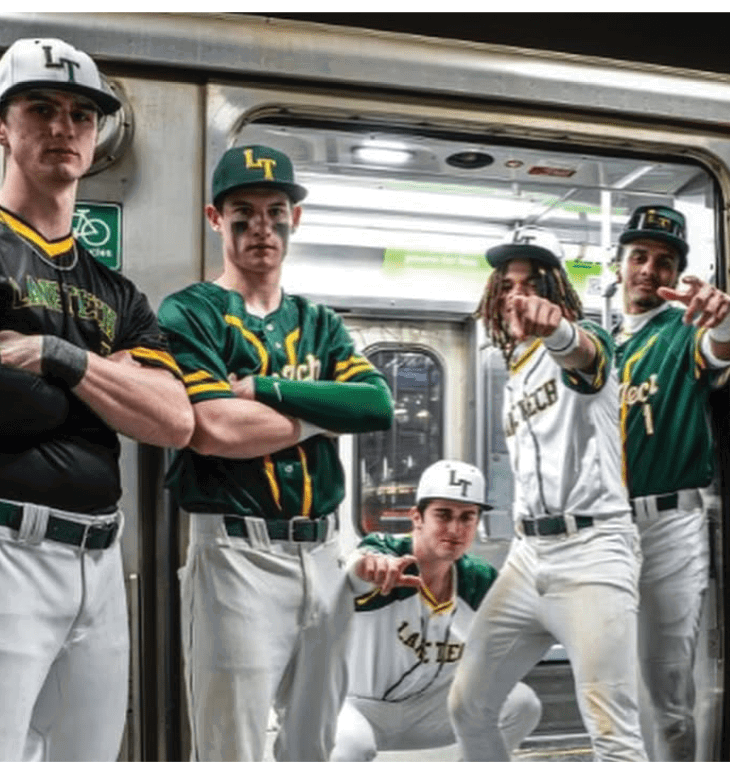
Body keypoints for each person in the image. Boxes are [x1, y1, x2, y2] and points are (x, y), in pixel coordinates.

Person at [0, 37, 194, 761]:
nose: (63, 127)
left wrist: (57, 357)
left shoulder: (117, 290)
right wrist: (109, 390)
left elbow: (174, 421)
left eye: (81, 115)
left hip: (99, 560)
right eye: (40, 108)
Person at [157, 144, 395, 761]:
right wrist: (326, 414)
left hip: (325, 552)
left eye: (275, 212)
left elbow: (376, 405)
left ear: (295, 219)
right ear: (216, 219)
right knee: (231, 747)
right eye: (243, 213)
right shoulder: (191, 312)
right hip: (238, 552)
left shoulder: (319, 322)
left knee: (314, 745)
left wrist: (269, 390)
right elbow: (216, 429)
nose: (261, 227)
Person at [448, 226, 647, 761]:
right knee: (468, 705)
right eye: (508, 285)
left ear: (556, 292)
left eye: (532, 285)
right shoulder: (512, 369)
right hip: (528, 554)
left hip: (592, 550)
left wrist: (557, 330)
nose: (518, 296)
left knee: (612, 731)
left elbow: (585, 357)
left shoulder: (584, 338)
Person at [612, 204, 730, 761]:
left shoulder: (684, 328)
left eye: (664, 261)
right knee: (611, 683)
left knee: (665, 690)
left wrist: (725, 320)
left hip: (670, 527)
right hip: (607, 530)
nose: (649, 269)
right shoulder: (602, 345)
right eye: (639, 256)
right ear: (619, 263)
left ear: (677, 273)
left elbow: (724, 349)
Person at [331, 459, 542, 761]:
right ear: (417, 517)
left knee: (521, 703)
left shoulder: (478, 579)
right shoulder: (389, 554)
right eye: (443, 515)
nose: (455, 529)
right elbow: (362, 562)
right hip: (353, 706)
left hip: (426, 711)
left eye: (467, 517)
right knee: (350, 745)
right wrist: (369, 567)